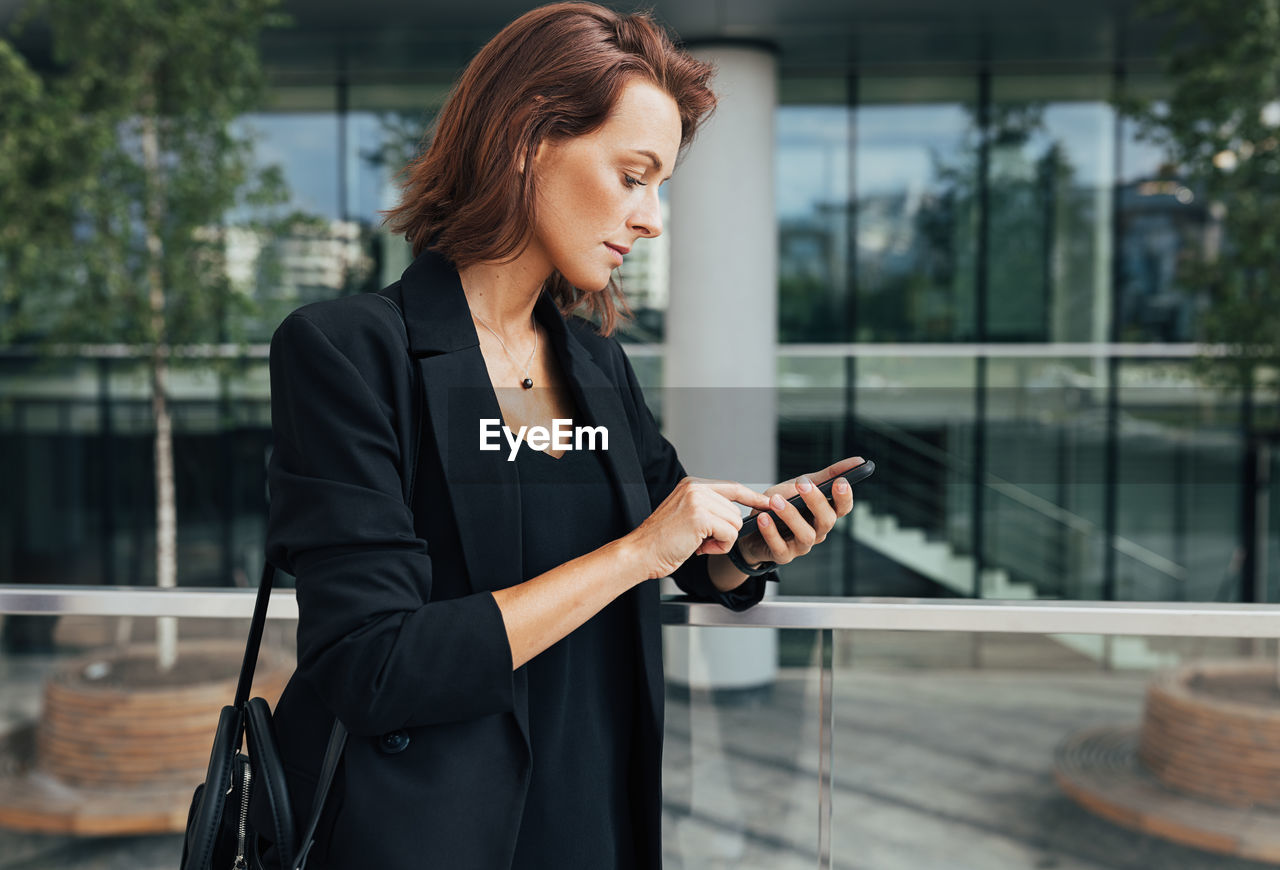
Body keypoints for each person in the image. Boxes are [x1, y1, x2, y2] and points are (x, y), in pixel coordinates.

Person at [262, 3, 863, 868]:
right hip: (427, 836)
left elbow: (677, 547)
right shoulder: (347, 351)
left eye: (661, 185)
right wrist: (637, 553)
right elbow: (371, 664)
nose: (653, 217)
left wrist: (747, 549)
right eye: (633, 175)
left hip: (595, 819)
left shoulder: (594, 364)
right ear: (526, 142)